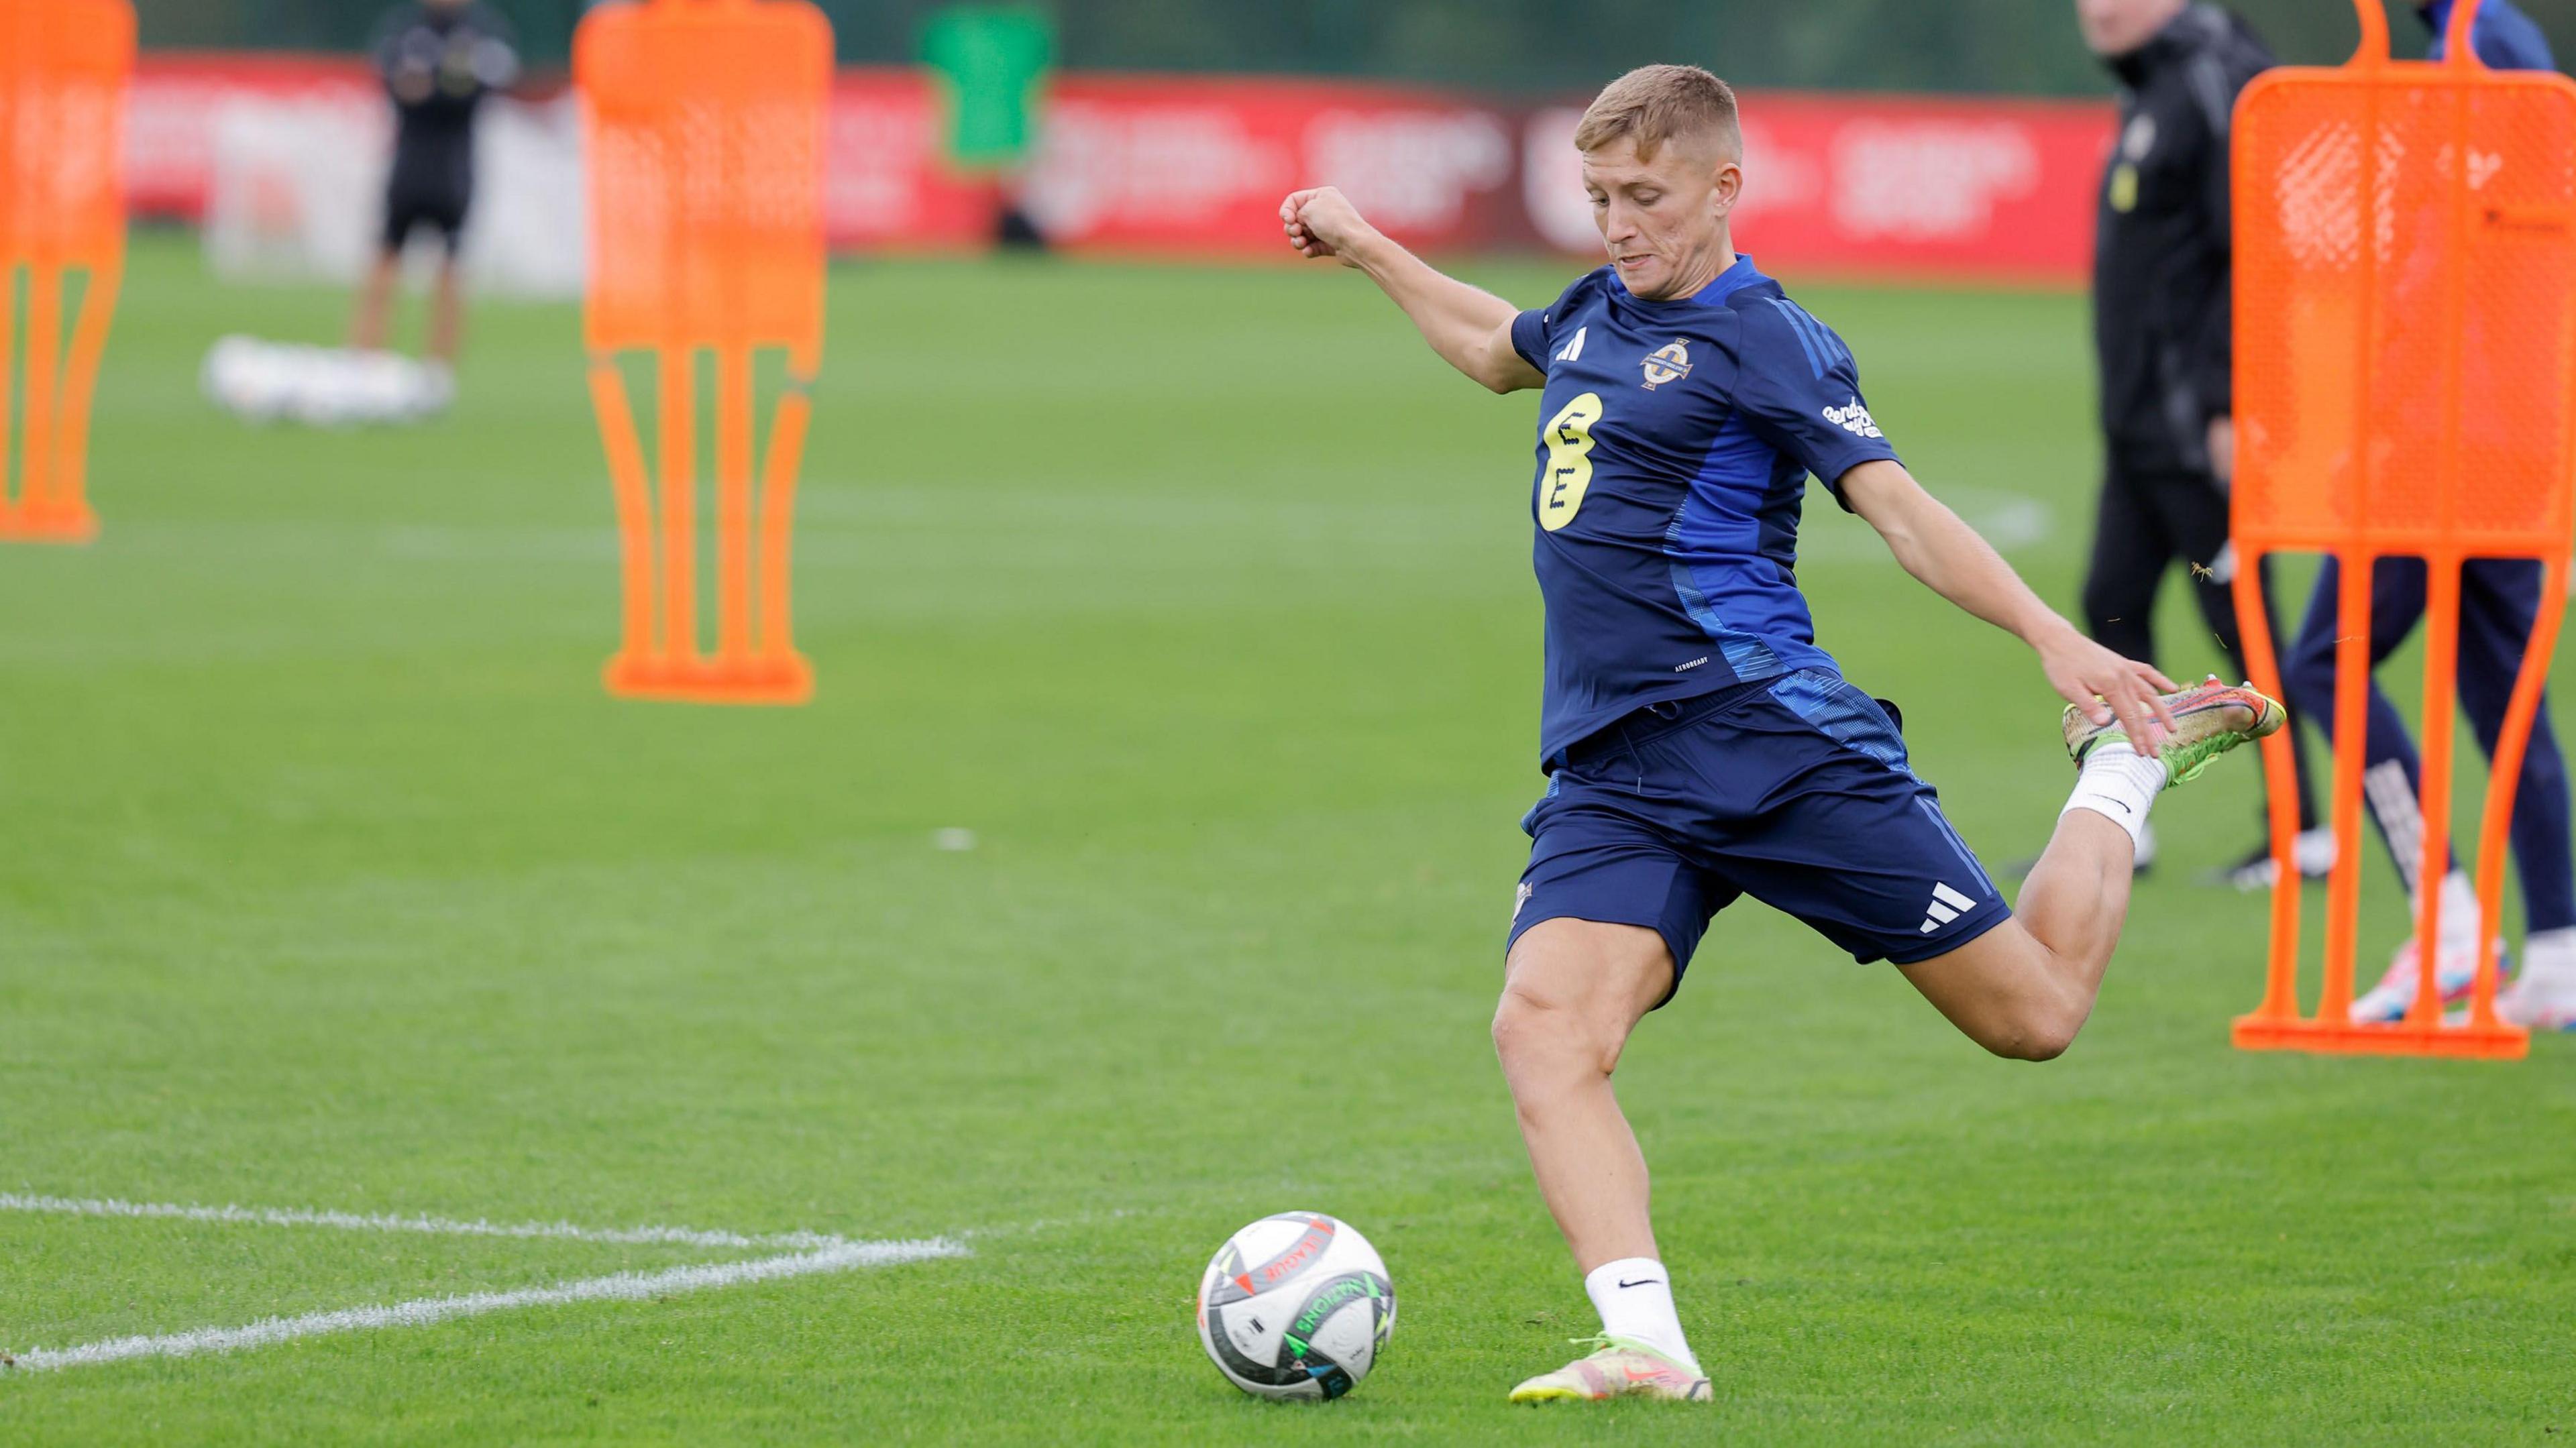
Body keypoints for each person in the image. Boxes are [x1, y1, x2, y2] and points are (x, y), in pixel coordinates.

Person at [1280, 64, 2282, 1404]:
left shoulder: (1768, 336)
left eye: (1644, 196)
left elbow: (1904, 512)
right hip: (1616, 769)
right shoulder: (1589, 314)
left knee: (2034, 1015)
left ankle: (2125, 770)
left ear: (1723, 186)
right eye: (1597, 198)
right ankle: (1648, 1341)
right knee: (1544, 1030)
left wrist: (2058, 638)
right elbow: (1486, 345)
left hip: (1770, 737)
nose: (1618, 224)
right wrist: (1363, 246)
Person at [2279, 0, 2576, 1032]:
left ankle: (2448, 922)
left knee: (2324, 654)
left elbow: (2442, 260)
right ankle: (2556, 953)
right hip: (2509, 422)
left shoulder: (2475, 45)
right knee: (2502, 686)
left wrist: (2387, 410)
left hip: (2451, 427)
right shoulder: (2503, 42)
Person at [2074, 0, 2328, 888]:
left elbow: (2264, 248)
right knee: (2110, 602)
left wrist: (2232, 405)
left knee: (2240, 616)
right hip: (2142, 424)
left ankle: (2304, 831)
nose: (2099, 9)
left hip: (2196, 426)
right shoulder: (2158, 85)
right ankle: (2121, 823)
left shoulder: (2217, 78)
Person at [348, 0, 519, 403]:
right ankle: (363, 363)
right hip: (408, 167)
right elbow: (392, 80)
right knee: (384, 261)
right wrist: (445, 84)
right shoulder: (404, 27)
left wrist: (434, 86)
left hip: (454, 171)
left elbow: (486, 84)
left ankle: (438, 372)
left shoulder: (483, 31)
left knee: (452, 270)